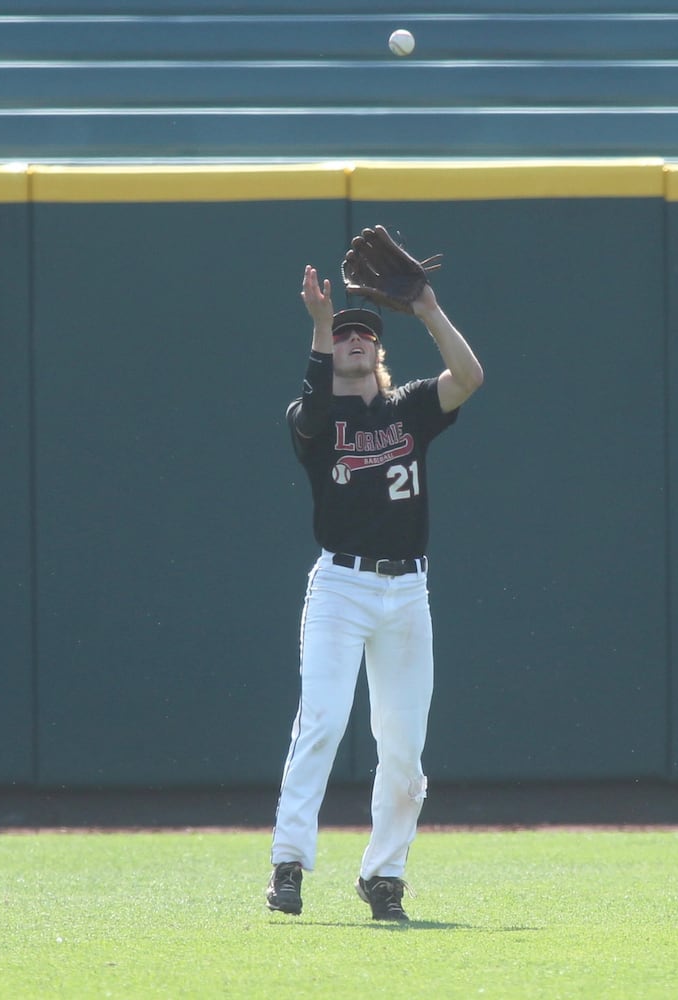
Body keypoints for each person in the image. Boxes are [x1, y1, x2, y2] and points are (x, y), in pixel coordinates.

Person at [266, 256, 484, 921]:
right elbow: (308, 412)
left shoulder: (407, 409)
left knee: (403, 745)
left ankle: (384, 875)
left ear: (378, 349)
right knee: (324, 721)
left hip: (406, 594)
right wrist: (318, 325)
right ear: (327, 350)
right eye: (342, 335)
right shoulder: (315, 419)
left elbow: (470, 377)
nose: (353, 340)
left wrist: (426, 308)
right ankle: (289, 864)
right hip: (340, 585)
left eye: (362, 334)